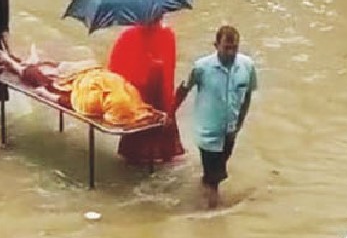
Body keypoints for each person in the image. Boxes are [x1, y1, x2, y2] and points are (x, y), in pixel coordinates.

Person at [173, 26, 257, 208]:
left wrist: (239, 124)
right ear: (216, 45)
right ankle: (213, 214)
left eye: (234, 47)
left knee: (216, 175)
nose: (231, 52)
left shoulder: (247, 66)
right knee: (214, 179)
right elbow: (184, 89)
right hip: (208, 133)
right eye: (226, 47)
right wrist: (170, 114)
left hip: (230, 131)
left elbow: (248, 95)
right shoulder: (201, 67)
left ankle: (203, 190)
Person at [106, 15, 185, 165]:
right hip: (143, 102)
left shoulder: (131, 36)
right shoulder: (163, 36)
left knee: (137, 158)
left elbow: (115, 73)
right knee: (162, 159)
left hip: (145, 102)